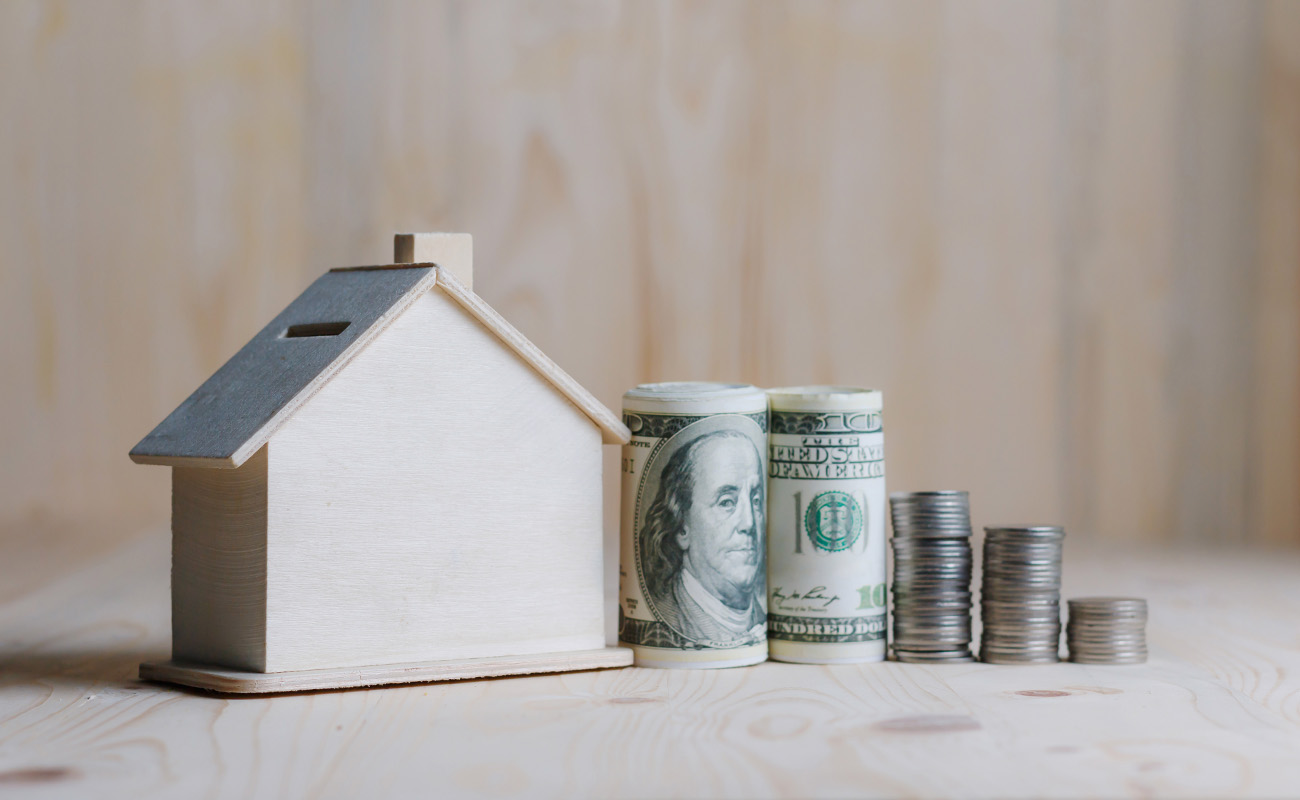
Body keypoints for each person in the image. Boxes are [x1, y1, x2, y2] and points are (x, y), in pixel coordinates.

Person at [641, 429, 766, 644]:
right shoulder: (669, 618)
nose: (749, 523)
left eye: (755, 500)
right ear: (682, 526)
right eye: (727, 502)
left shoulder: (763, 621)